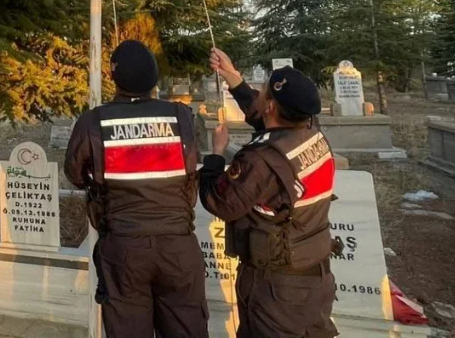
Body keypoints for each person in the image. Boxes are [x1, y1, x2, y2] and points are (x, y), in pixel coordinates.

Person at [65, 40, 208, 338]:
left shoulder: (93, 122)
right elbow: (190, 167)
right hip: (178, 246)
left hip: (124, 248)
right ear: (154, 77)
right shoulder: (180, 116)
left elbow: (75, 174)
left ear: (113, 75)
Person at [200, 50, 339, 338]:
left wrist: (215, 155)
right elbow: (265, 119)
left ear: (271, 106)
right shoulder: (312, 133)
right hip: (315, 274)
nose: (259, 96)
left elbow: (220, 202)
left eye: (263, 92)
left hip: (276, 288)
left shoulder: (261, 160)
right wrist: (233, 78)